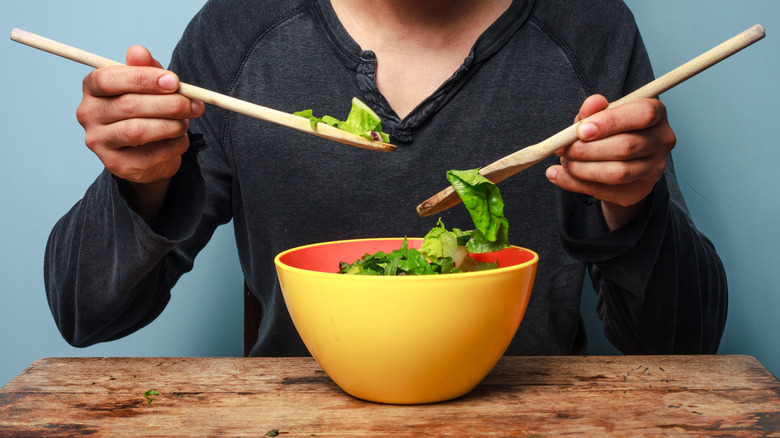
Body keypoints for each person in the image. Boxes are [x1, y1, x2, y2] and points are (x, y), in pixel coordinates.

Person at [45, 0, 727, 356]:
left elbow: (684, 346)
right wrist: (143, 181)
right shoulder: (237, 31)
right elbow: (86, 315)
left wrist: (633, 208)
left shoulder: (591, 31)